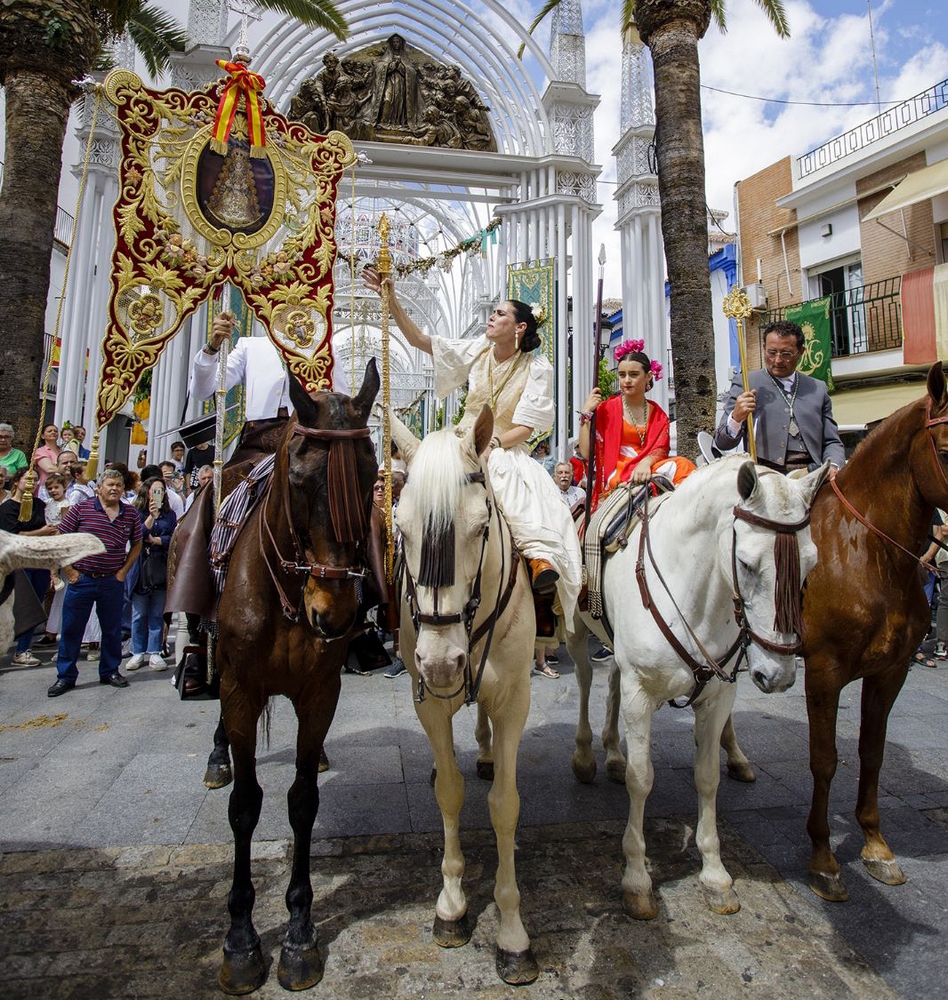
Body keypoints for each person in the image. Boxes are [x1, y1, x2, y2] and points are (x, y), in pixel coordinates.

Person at [364, 267, 581, 620]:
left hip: (505, 446)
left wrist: (493, 442)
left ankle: (538, 559)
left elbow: (526, 427)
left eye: (499, 314)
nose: (491, 318)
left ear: (520, 327)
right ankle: (411, 561)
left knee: (502, 474)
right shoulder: (478, 350)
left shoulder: (537, 366)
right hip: (461, 439)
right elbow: (421, 340)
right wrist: (391, 302)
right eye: (492, 312)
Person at [47, 469, 143, 697]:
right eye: (110, 484)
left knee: (111, 630)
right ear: (99, 488)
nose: (114, 489)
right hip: (82, 579)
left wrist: (123, 572)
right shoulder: (82, 508)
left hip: (112, 580)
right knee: (72, 630)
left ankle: (110, 671)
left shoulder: (129, 513)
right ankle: (66, 676)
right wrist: (69, 570)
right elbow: (62, 537)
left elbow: (137, 543)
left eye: (118, 485)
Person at [714, 320, 845, 476]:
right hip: (767, 476)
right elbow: (722, 442)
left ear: (801, 352)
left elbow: (832, 441)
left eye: (786, 354)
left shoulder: (818, 388)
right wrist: (736, 418)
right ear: (764, 348)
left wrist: (834, 465)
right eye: (772, 352)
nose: (777, 360)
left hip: (811, 474)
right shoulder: (746, 383)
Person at [579, 340, 696, 512]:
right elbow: (585, 453)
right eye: (622, 375)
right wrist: (586, 414)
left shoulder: (658, 414)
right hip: (617, 471)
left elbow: (661, 450)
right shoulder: (606, 409)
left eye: (633, 374)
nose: (626, 380)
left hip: (648, 468)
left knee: (683, 465)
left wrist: (645, 462)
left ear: (648, 376)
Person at [1, 466, 56, 665]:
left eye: (35, 480)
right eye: (27, 479)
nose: (31, 483)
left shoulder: (40, 505)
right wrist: (40, 532)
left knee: (33, 605)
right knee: (14, 606)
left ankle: (23, 649)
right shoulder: (7, 508)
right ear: (16, 482)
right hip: (18, 563)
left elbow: (51, 530)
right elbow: (13, 536)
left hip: (39, 562)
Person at [126, 477, 177, 672]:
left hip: (160, 564)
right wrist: (151, 517)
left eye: (161, 490)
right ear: (146, 492)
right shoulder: (136, 512)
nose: (158, 494)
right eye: (155, 490)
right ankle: (137, 651)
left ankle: (154, 650)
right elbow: (135, 534)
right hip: (140, 565)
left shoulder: (170, 515)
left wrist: (157, 540)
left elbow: (173, 537)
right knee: (139, 613)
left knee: (157, 613)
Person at [32, 423, 60, 490]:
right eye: (49, 431)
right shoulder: (40, 451)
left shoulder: (63, 450)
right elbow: (49, 469)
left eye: (55, 431)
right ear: (42, 436)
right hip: (46, 487)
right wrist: (67, 470)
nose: (53, 432)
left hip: (63, 486)